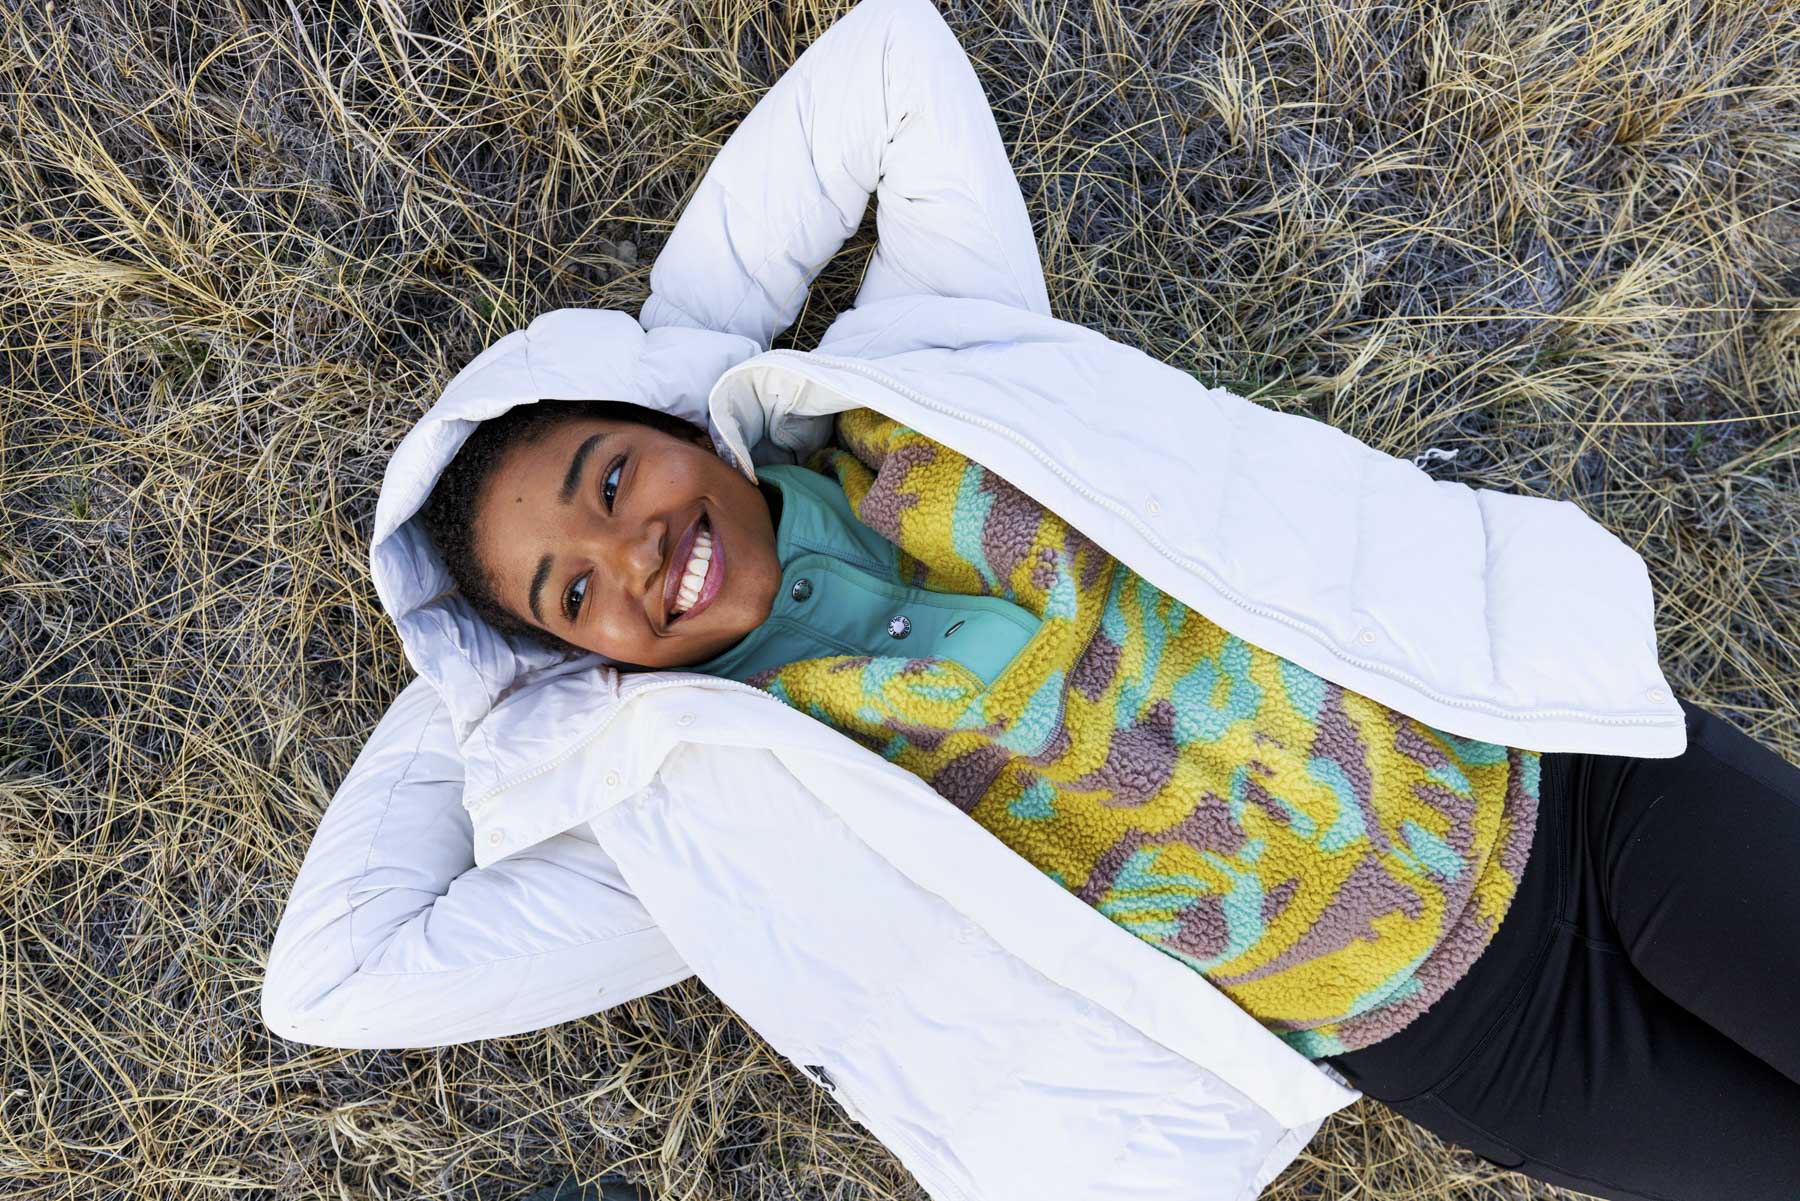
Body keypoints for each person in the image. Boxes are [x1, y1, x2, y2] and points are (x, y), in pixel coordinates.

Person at [261, 1, 1799, 1198]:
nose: (635, 557)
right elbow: (334, 976)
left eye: (610, 481)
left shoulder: (926, 363)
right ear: (570, 650)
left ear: (660, 419)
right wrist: (476, 671)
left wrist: (686, 339)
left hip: (1573, 783)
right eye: (572, 591)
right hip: (1476, 1039)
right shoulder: (703, 821)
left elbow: (890, 58)